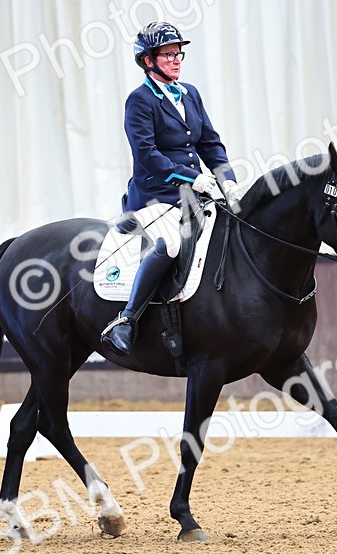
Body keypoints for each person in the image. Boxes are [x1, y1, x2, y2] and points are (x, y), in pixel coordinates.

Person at [100, 22, 243, 355]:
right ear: (148, 60)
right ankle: (127, 320)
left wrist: (228, 179)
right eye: (168, 54)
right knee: (171, 244)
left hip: (195, 196)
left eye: (178, 53)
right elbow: (147, 154)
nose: (176, 60)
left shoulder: (190, 93)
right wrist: (191, 177)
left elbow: (209, 143)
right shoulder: (139, 101)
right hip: (156, 197)